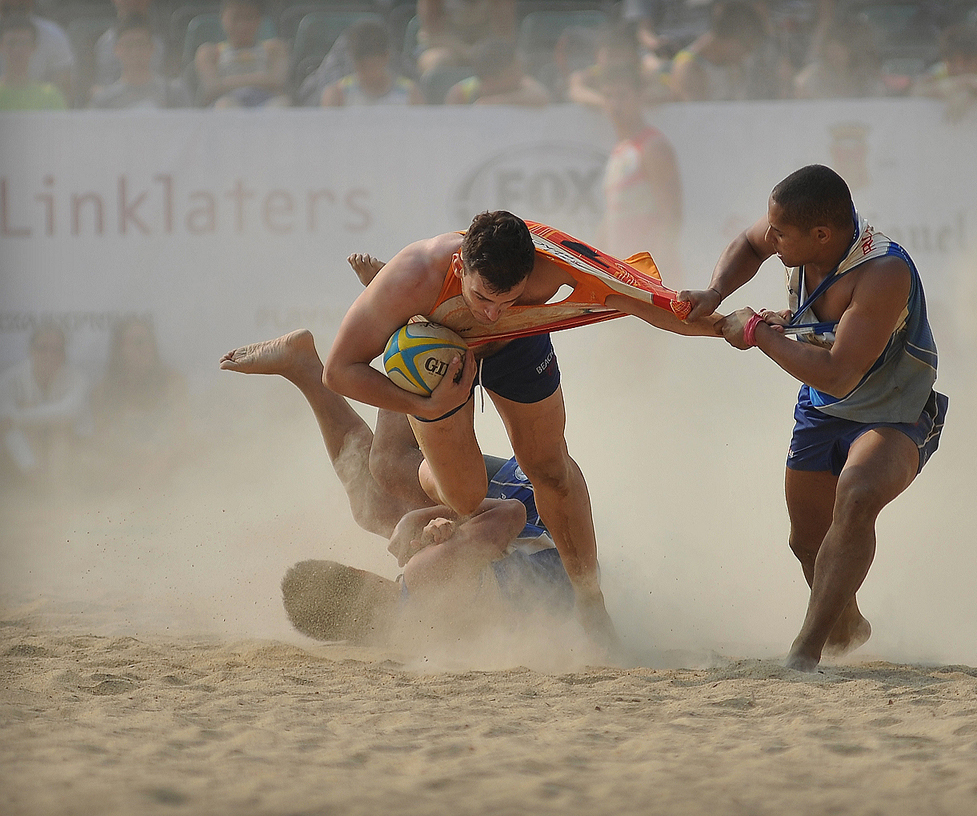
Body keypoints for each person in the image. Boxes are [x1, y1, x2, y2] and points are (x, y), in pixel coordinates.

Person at [322, 211, 721, 654]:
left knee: (549, 469)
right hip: (441, 352)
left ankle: (591, 604)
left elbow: (649, 303)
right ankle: (400, 326)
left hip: (516, 342)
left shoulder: (556, 266)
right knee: (463, 497)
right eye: (482, 297)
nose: (492, 313)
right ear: (460, 267)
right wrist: (422, 405)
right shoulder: (416, 271)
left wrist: (733, 328)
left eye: (507, 298)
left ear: (528, 275)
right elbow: (338, 372)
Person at [680, 165, 948, 672]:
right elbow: (747, 242)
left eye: (780, 233)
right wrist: (716, 293)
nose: (770, 237)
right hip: (822, 410)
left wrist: (759, 332)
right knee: (806, 539)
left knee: (859, 494)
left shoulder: (883, 271)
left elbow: (839, 374)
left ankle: (804, 652)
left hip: (894, 409)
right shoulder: (799, 235)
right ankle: (846, 625)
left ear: (822, 236)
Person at [218, 328, 575, 647]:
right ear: (359, 574)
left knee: (370, 506)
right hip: (550, 521)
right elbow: (513, 514)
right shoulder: (425, 575)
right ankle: (411, 332)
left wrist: (451, 534)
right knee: (388, 465)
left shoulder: (404, 636)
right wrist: (430, 517)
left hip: (557, 575)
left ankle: (305, 368)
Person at [596, 62, 683, 283]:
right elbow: (612, 216)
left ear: (639, 97)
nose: (615, 105)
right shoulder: (621, 149)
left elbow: (671, 213)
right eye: (608, 96)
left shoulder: (652, 147)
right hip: (622, 268)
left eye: (622, 96)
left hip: (649, 272)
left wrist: (660, 268)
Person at [87, 316, 190, 486]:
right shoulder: (103, 391)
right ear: (120, 349)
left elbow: (179, 435)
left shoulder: (173, 383)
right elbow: (104, 440)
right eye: (136, 343)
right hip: (121, 471)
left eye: (146, 342)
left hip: (167, 470)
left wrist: (156, 467)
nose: (144, 349)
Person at [0, 324, 90, 490]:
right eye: (42, 348)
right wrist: (30, 467)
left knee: (60, 435)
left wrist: (20, 416)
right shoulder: (8, 380)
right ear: (30, 350)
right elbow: (6, 426)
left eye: (57, 349)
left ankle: (60, 497)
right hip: (25, 459)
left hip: (72, 449)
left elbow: (67, 414)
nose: (50, 355)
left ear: (64, 354)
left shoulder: (77, 378)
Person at [669, 0, 773, 101]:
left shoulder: (734, 65)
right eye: (747, 48)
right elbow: (695, 116)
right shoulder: (688, 68)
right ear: (730, 39)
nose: (747, 55)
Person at [193, 0, 289, 108]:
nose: (242, 25)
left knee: (282, 104)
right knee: (225, 105)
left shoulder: (274, 48)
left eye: (249, 18)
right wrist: (262, 79)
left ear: (259, 20)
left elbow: (278, 81)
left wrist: (226, 83)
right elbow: (212, 86)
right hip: (226, 105)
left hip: (265, 103)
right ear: (222, 19)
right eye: (235, 18)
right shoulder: (209, 52)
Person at [911, 22, 977, 121]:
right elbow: (915, 91)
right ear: (944, 60)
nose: (960, 67)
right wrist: (966, 82)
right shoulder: (936, 73)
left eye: (967, 60)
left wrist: (976, 90)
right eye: (952, 61)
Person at [89, 13, 187, 109]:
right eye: (129, 45)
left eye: (140, 44)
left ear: (152, 48)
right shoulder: (103, 101)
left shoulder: (173, 94)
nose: (135, 52)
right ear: (117, 50)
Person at [321, 19, 420, 107]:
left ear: (386, 57)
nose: (368, 72)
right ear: (352, 59)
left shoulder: (410, 94)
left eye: (373, 65)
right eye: (362, 66)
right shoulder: (337, 94)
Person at [0, 0, 72, 103]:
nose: (17, 50)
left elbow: (65, 88)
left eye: (23, 43)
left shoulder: (51, 95)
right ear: (1, 46)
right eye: (12, 43)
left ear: (34, 47)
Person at [443, 37, 550, 106]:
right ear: (490, 79)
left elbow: (542, 97)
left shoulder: (522, 82)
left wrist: (494, 103)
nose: (519, 75)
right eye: (513, 72)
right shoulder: (460, 94)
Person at [93, 0, 166, 88]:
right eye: (129, 45)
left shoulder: (163, 41)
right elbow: (103, 85)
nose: (132, 2)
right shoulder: (105, 44)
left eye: (141, 44)